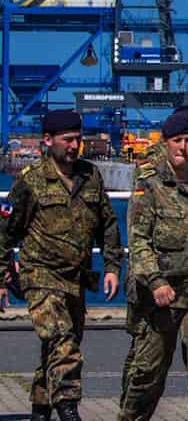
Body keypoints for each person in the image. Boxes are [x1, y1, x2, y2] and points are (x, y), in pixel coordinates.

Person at [0, 109, 122, 421]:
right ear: (48, 140)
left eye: (78, 140)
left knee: (58, 345)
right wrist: (2, 276)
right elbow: (6, 234)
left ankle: (41, 408)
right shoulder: (31, 182)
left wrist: (111, 266)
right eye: (67, 140)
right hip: (40, 274)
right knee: (62, 340)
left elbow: (107, 224)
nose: (73, 146)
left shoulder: (89, 176)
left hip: (75, 277)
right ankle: (68, 407)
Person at [117, 105, 188, 421]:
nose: (183, 147)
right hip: (158, 298)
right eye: (178, 140)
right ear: (166, 141)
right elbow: (138, 242)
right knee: (147, 376)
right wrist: (155, 281)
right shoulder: (149, 186)